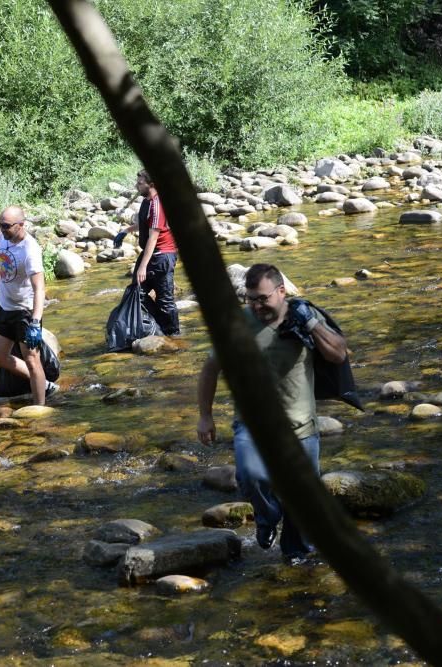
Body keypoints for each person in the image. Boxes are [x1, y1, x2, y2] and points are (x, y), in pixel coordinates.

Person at [195, 263, 348, 563]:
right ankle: (266, 518)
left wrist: (311, 326)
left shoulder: (305, 315)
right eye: (251, 298)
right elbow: (211, 369)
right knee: (251, 475)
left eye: (263, 298)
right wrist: (205, 415)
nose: (256, 305)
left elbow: (339, 354)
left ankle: (295, 559)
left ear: (281, 291)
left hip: (301, 427)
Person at [0, 205, 57, 405]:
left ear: (21, 225)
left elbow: (39, 289)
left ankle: (40, 408)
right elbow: (0, 265)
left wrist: (35, 322)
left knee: (32, 362)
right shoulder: (3, 238)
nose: (2, 229)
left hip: (24, 312)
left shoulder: (30, 250)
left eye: (6, 226)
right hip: (4, 307)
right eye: (0, 224)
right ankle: (44, 384)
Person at [113, 170, 180, 336]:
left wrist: (143, 267)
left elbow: (153, 238)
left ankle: (174, 334)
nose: (137, 185)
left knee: (165, 301)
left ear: (151, 185)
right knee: (136, 292)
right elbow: (144, 224)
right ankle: (160, 326)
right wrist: (126, 230)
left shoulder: (158, 204)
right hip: (151, 254)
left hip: (163, 256)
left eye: (140, 183)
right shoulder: (146, 201)